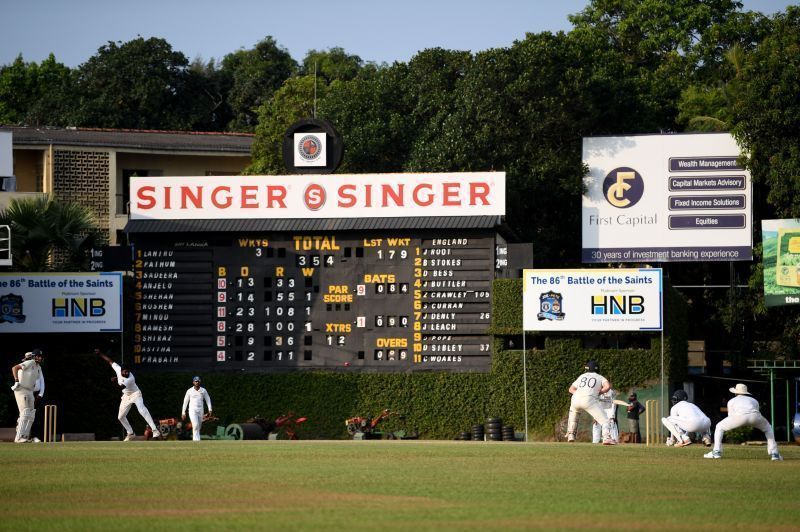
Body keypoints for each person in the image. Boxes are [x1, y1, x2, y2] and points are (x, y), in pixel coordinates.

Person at [704, 383, 782, 461]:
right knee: (768, 428)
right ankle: (774, 454)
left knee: (719, 427)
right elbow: (757, 411)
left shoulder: (731, 401)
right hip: (755, 416)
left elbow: (730, 416)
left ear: (735, 392)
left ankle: (716, 452)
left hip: (740, 416)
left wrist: (739, 422)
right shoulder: (754, 400)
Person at [97, 350, 160, 441]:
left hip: (135, 394)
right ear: (121, 370)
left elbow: (120, 388)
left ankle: (155, 430)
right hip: (126, 396)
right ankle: (130, 433)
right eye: (125, 372)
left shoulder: (130, 378)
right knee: (120, 417)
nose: (126, 373)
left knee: (142, 410)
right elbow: (110, 361)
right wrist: (100, 354)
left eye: (128, 372)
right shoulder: (118, 369)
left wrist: (114, 382)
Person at [566, 360, 614, 444]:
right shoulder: (600, 377)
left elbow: (571, 389)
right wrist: (599, 392)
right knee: (605, 420)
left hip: (575, 398)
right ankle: (606, 438)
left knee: (574, 414)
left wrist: (580, 393)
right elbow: (607, 386)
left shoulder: (582, 376)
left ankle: (571, 435)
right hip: (589, 400)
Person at [10, 349, 43, 443]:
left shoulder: (38, 367)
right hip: (22, 389)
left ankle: (25, 436)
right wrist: (16, 380)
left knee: (31, 414)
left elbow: (32, 379)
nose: (40, 358)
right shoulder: (30, 362)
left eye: (40, 356)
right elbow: (14, 368)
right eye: (38, 356)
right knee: (25, 412)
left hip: (29, 391)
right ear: (34, 356)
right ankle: (18, 438)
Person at [181, 376, 213, 441]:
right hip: (192, 410)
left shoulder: (203, 390)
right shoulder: (189, 391)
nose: (197, 382)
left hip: (201, 410)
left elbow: (208, 399)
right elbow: (185, 402)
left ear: (200, 382)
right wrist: (183, 412)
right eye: (195, 381)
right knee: (195, 425)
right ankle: (196, 441)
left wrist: (210, 409)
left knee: (199, 426)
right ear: (193, 382)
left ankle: (197, 440)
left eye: (198, 381)